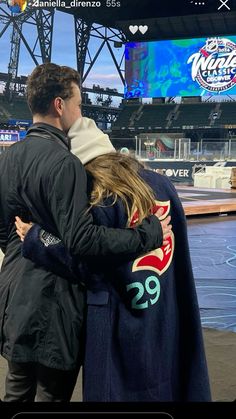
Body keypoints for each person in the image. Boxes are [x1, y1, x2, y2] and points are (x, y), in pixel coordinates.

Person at [0, 63, 171, 402]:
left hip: (12, 296)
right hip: (54, 307)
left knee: (15, 390)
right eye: (78, 104)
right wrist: (147, 236)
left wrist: (31, 240)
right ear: (60, 105)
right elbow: (84, 241)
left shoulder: (8, 157)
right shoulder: (65, 163)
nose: (80, 113)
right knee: (52, 394)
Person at [15, 116, 212, 402]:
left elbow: (87, 264)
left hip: (118, 322)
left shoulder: (96, 197)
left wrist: (37, 238)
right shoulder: (161, 185)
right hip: (164, 310)